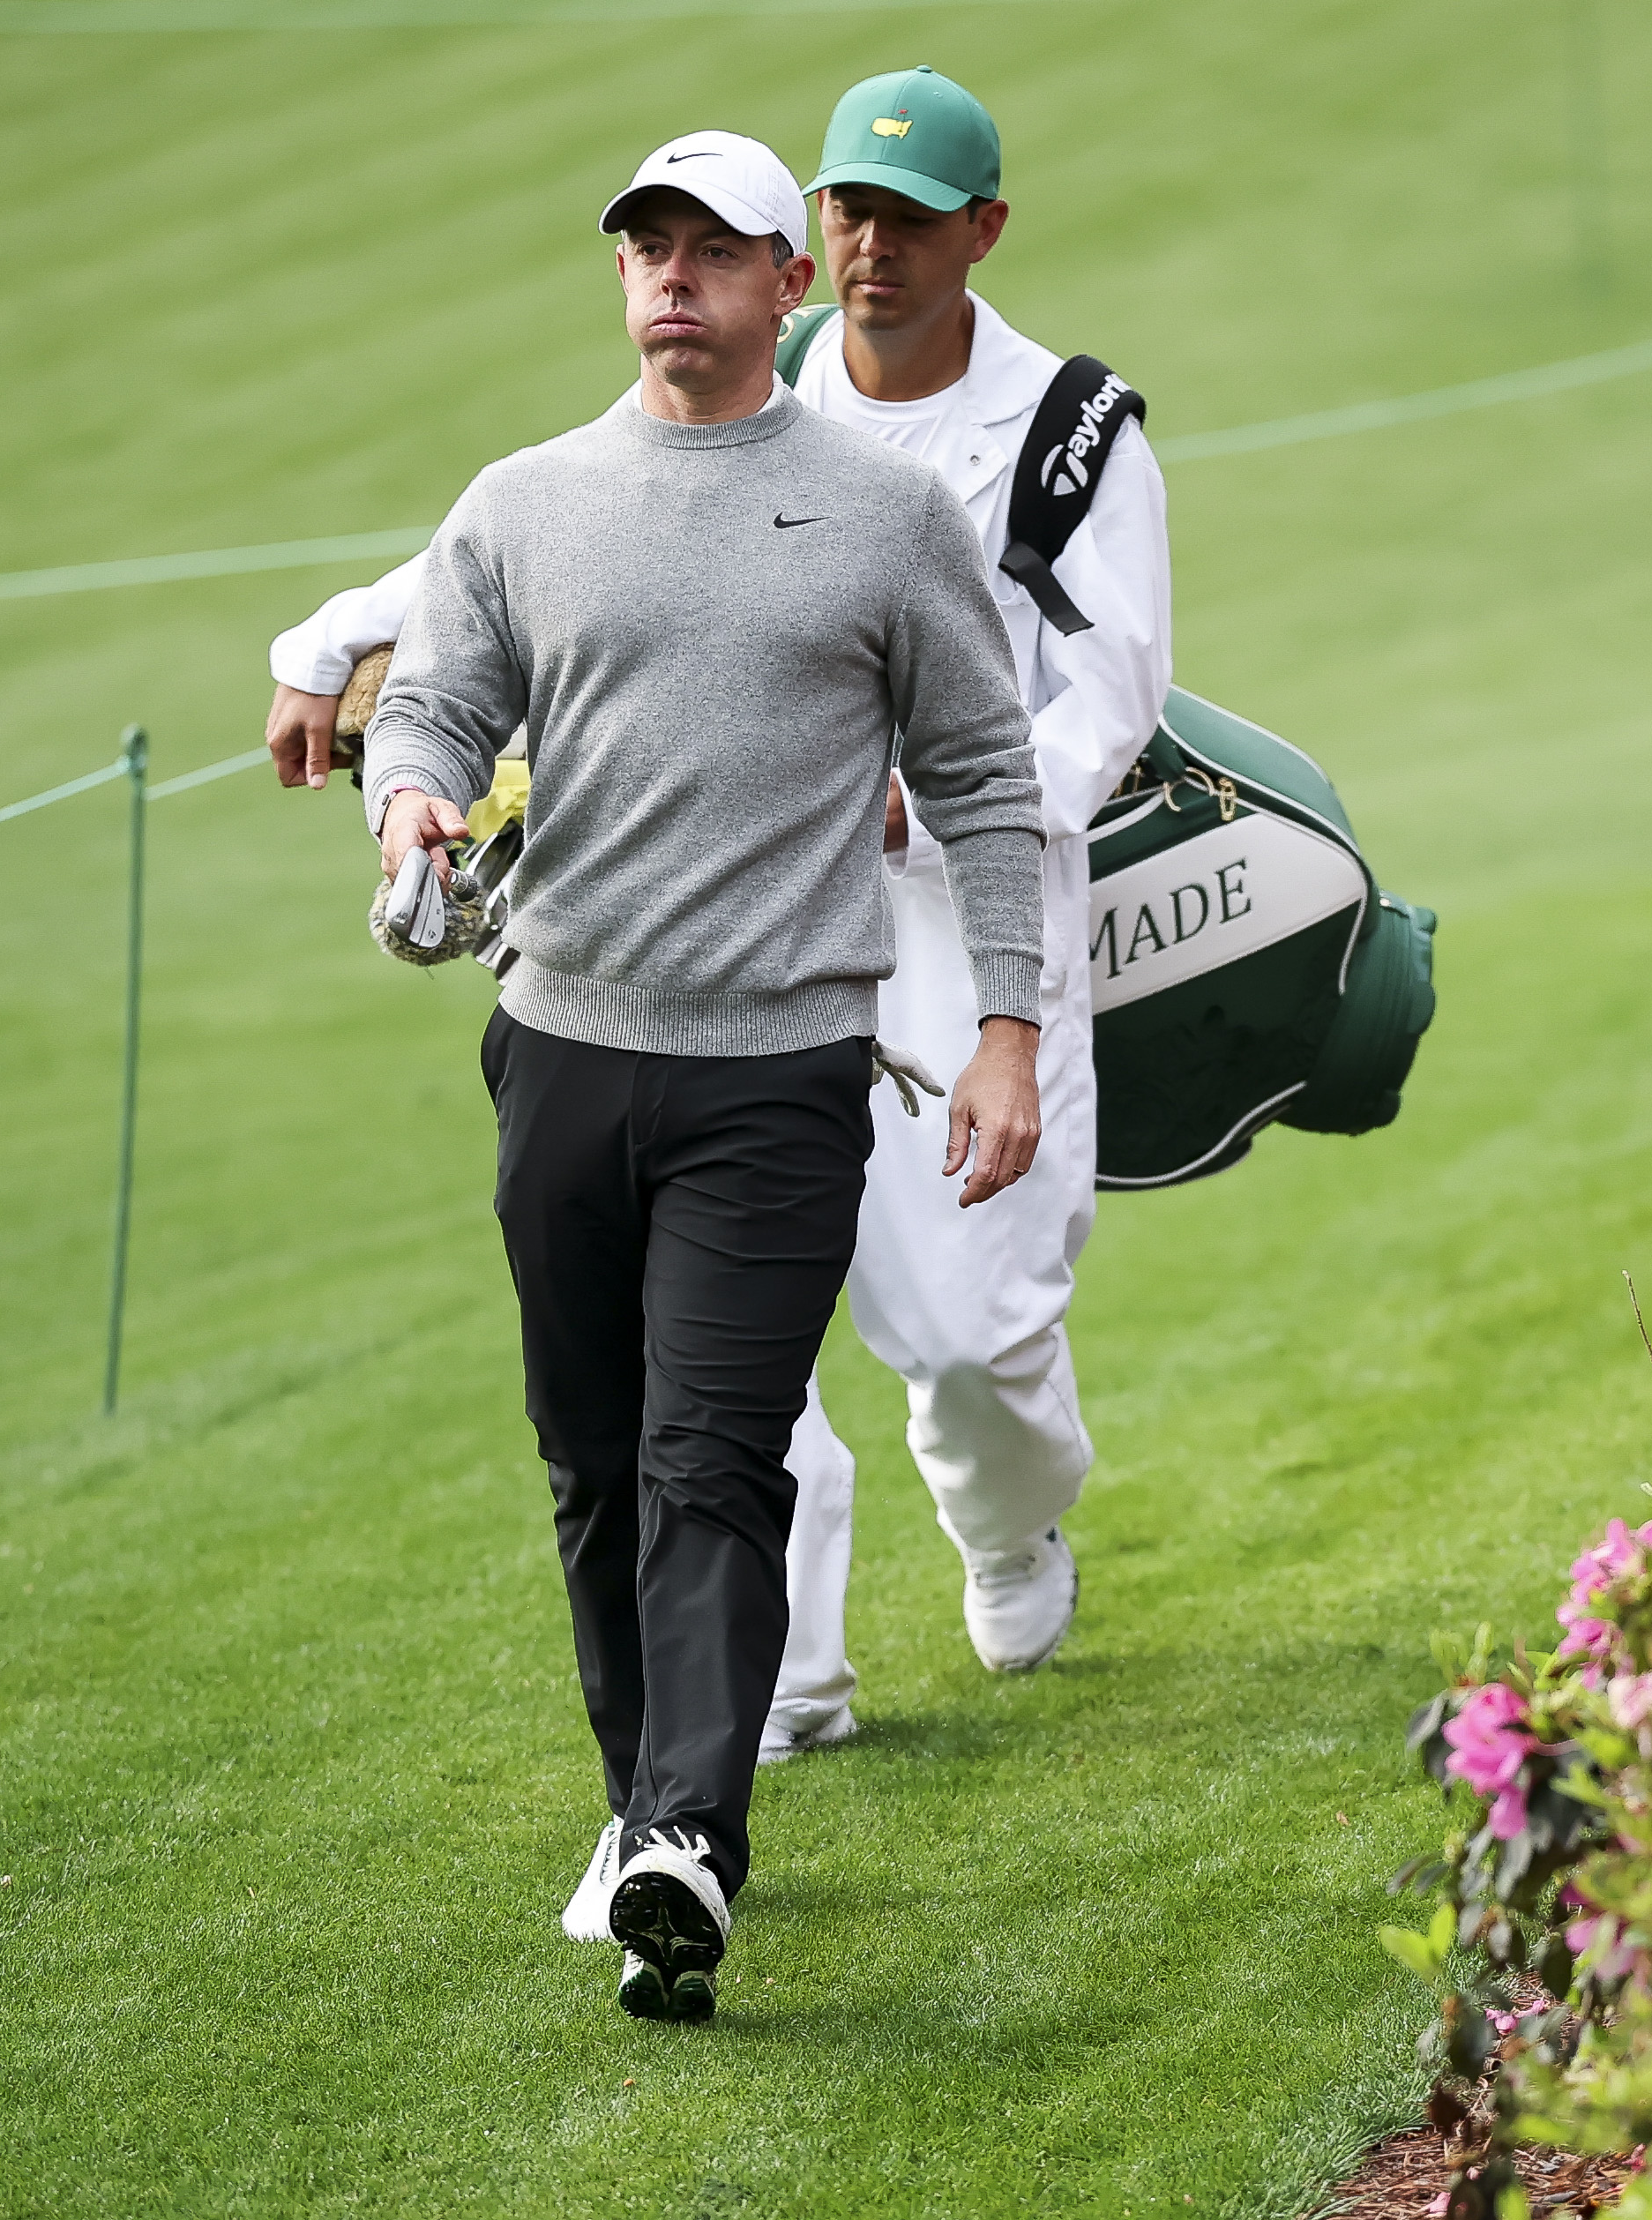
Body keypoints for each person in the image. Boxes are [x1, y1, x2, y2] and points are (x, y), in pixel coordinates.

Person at [270, 65, 1170, 1809]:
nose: (867, 247)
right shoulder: (753, 377)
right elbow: (554, 538)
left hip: (956, 916)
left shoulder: (1067, 435)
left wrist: (932, 805)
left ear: (982, 233)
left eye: (905, 220)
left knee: (970, 1340)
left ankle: (1006, 1525)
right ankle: (784, 1680)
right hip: (734, 936)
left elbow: (1102, 698)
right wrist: (338, 641)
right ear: (805, 244)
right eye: (846, 213)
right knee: (725, 1340)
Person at [358, 126, 1050, 2022]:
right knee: (592, 1464)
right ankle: (636, 1813)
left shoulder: (884, 513)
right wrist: (411, 781)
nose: (674, 275)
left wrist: (1007, 1028)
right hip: (561, 1055)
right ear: (621, 278)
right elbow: (434, 691)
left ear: (787, 284)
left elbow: (987, 781)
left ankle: (691, 1835)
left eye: (717, 249)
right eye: (647, 246)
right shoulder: (521, 502)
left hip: (780, 1075)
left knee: (708, 1457)